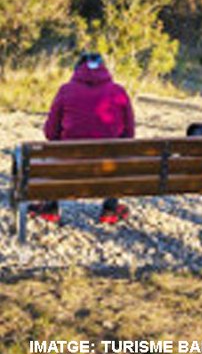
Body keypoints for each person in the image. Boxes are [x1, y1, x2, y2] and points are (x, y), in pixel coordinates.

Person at [28, 51, 136, 226]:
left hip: (69, 168)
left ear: (77, 68)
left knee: (54, 153)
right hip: (107, 169)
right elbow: (129, 134)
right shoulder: (119, 91)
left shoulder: (65, 90)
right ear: (104, 68)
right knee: (118, 152)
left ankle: (50, 207)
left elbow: (50, 133)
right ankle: (110, 208)